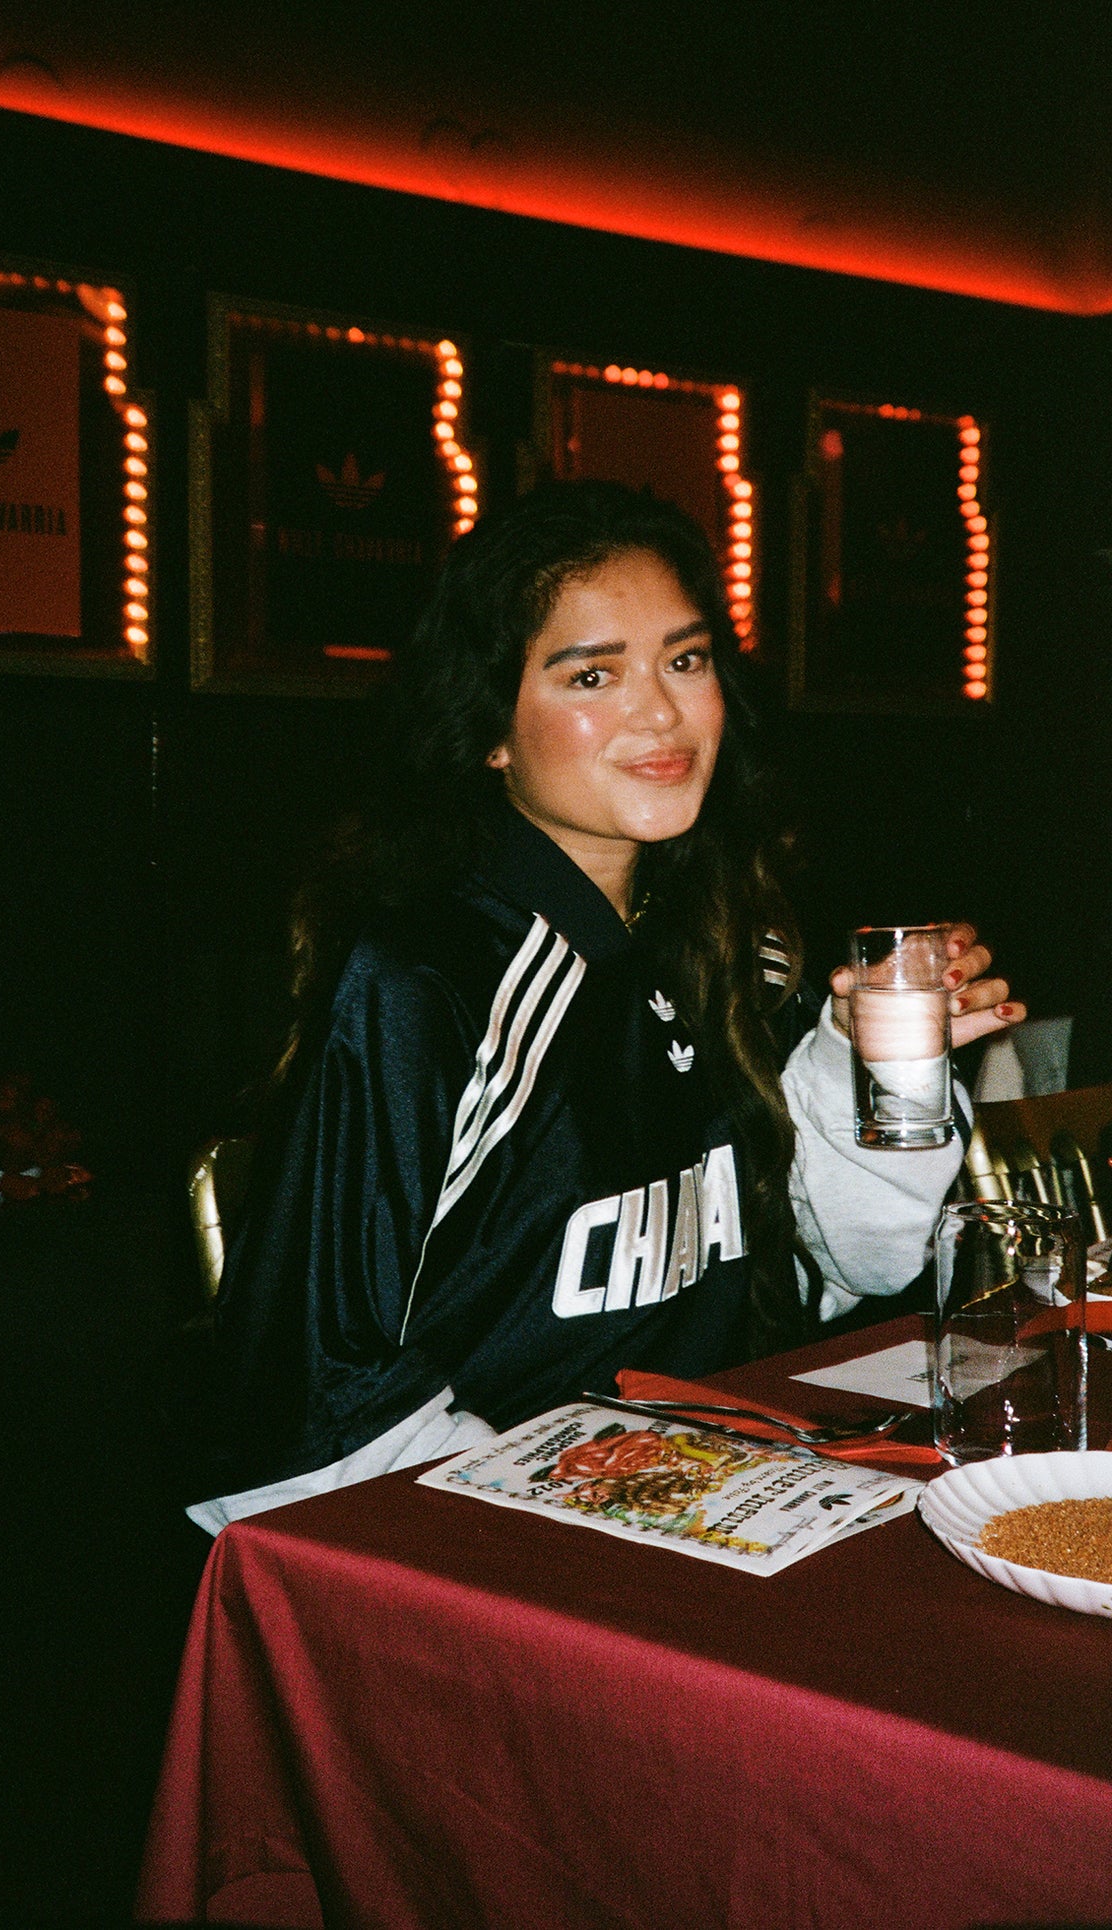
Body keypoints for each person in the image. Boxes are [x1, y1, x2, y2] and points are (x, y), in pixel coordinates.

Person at [189, 482, 1021, 1533]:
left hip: (716, 1487)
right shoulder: (425, 977)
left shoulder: (724, 934)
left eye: (685, 660)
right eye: (593, 674)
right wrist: (614, 1513)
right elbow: (307, 1406)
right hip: (485, 1538)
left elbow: (838, 1265)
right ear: (489, 728)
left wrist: (874, 1066)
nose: (661, 713)